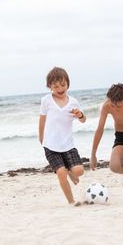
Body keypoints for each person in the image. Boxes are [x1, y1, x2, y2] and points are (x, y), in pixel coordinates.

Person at [39, 67, 86, 204]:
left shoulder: (73, 102)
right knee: (61, 173)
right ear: (50, 87)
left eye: (63, 85)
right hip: (51, 145)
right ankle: (71, 202)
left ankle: (70, 172)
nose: (60, 88)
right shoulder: (46, 100)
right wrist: (41, 137)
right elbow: (42, 120)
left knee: (78, 171)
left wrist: (80, 115)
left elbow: (83, 120)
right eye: (56, 86)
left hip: (67, 145)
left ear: (68, 83)